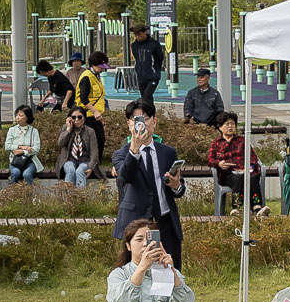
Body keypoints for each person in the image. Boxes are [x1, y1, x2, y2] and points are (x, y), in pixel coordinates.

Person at [112, 107, 186, 266]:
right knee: (136, 274)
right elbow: (126, 177)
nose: (141, 124)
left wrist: (176, 186)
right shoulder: (121, 154)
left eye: (145, 118)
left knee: (171, 269)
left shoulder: (168, 152)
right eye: (135, 119)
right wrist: (134, 149)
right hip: (136, 224)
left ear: (154, 121)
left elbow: (179, 188)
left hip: (165, 221)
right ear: (129, 124)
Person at [203, 112, 264, 213]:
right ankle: (237, 208)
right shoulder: (216, 143)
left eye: (232, 124)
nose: (230, 126)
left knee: (252, 176)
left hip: (244, 171)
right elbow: (210, 160)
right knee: (238, 177)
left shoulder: (242, 140)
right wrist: (219, 164)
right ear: (220, 127)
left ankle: (257, 208)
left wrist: (251, 167)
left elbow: (252, 157)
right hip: (227, 175)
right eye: (227, 124)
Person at [129, 26, 166, 115]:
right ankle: (149, 113)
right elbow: (137, 58)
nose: (138, 36)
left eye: (140, 34)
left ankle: (150, 113)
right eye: (136, 35)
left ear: (145, 32)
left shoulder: (154, 44)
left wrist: (155, 69)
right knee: (144, 97)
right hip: (141, 76)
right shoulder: (134, 45)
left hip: (153, 75)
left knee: (147, 95)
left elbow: (160, 58)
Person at [4, 107, 42, 189]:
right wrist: (22, 147)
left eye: (21, 115)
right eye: (17, 115)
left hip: (31, 160)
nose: (17, 117)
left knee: (27, 174)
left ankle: (31, 197)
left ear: (27, 117)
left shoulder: (34, 131)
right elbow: (7, 146)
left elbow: (36, 148)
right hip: (15, 160)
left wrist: (23, 152)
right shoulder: (12, 130)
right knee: (15, 173)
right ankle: (12, 195)